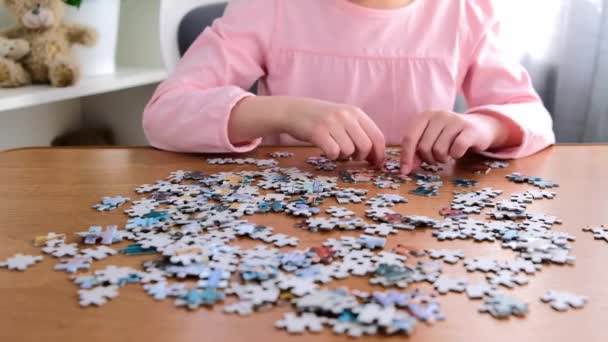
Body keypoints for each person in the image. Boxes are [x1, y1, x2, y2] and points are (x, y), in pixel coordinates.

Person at [143, 0, 555, 174]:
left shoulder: (467, 10)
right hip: (291, 212)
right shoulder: (269, 6)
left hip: (421, 219)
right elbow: (164, 114)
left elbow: (532, 116)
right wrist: (285, 112)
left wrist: (484, 127)